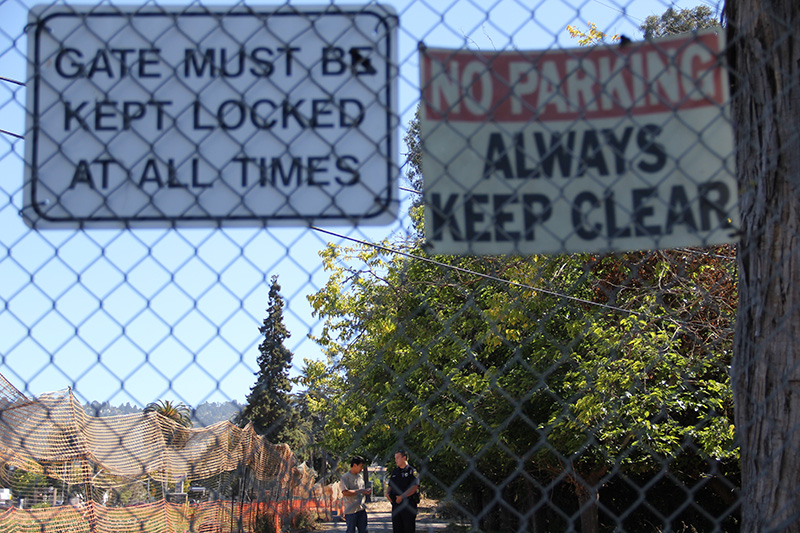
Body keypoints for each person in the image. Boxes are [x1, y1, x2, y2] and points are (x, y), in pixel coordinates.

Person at [386, 450, 420, 533]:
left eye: (397, 458)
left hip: (408, 505)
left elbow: (414, 487)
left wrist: (402, 497)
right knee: (397, 528)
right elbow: (390, 485)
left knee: (408, 528)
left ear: (404, 458)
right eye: (395, 458)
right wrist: (387, 493)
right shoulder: (395, 472)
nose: (396, 460)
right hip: (396, 504)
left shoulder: (412, 471)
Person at [340, 456, 371, 533]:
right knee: (351, 531)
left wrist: (366, 491)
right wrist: (360, 491)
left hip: (361, 509)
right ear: (354, 465)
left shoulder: (360, 477)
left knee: (364, 530)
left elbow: (362, 490)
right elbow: (345, 492)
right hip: (351, 511)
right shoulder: (345, 477)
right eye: (361, 466)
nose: (362, 468)